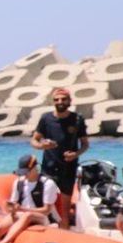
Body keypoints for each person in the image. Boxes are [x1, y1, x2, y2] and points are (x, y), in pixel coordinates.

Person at [30, 87, 90, 228]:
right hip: (48, 168)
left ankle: (65, 232)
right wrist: (42, 146)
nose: (60, 102)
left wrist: (76, 154)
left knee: (64, 209)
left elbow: (85, 144)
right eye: (56, 100)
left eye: (63, 99)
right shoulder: (46, 119)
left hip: (68, 168)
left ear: (70, 101)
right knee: (45, 204)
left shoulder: (77, 119)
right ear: (53, 102)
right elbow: (34, 140)